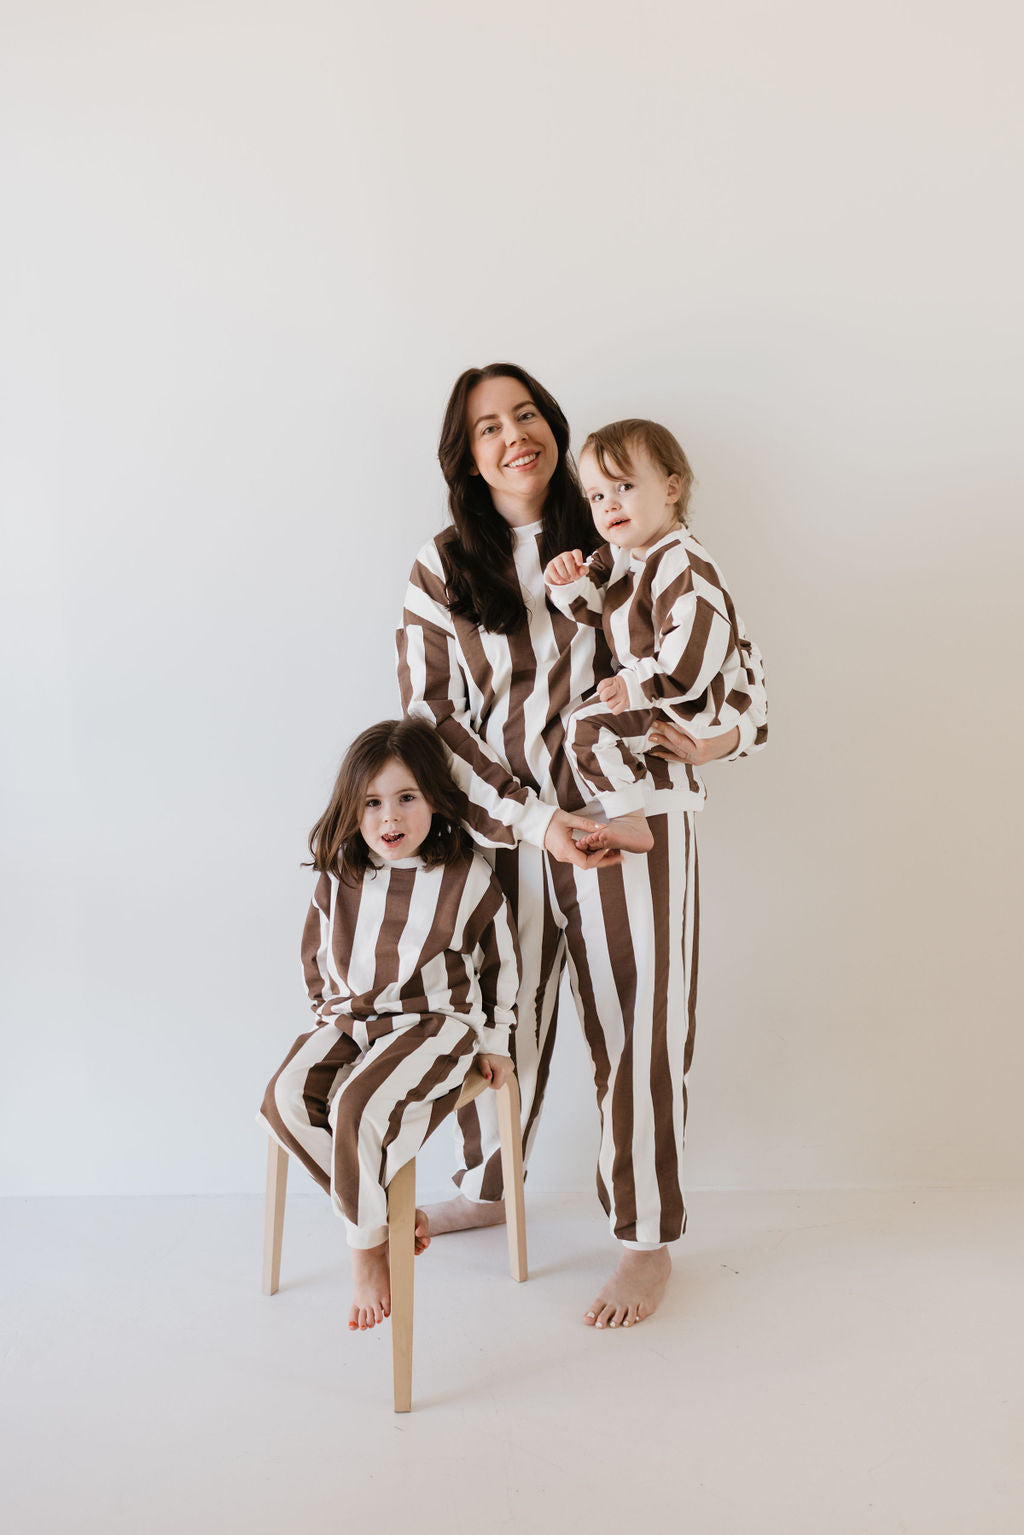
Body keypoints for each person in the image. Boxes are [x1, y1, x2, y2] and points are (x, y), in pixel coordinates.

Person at [397, 363, 766, 1330]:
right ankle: (486, 1185)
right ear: (466, 457)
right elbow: (430, 721)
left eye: (526, 414)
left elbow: (733, 664)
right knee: (493, 1023)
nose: (512, 434)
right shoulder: (441, 567)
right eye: (487, 427)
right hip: (507, 833)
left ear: (554, 427)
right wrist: (530, 822)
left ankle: (646, 1241)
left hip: (630, 819)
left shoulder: (618, 527)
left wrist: (721, 735)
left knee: (639, 1028)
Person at [259, 718, 520, 1333]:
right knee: (284, 1099)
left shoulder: (466, 876)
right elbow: (317, 961)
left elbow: (501, 966)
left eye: (407, 797)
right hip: (353, 1020)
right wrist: (331, 1023)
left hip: (437, 1024)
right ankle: (384, 1218)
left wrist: (496, 1041)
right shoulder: (341, 875)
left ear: (433, 796)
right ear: (353, 810)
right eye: (372, 803)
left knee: (355, 1107)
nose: (389, 818)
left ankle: (366, 1252)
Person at [543, 417, 767, 855]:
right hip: (662, 692)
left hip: (693, 695)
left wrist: (637, 683)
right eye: (597, 495)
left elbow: (693, 655)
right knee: (587, 728)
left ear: (670, 489)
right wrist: (568, 583)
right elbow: (597, 609)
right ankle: (628, 813)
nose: (609, 505)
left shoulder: (683, 564)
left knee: (586, 726)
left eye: (624, 486)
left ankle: (630, 818)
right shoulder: (624, 555)